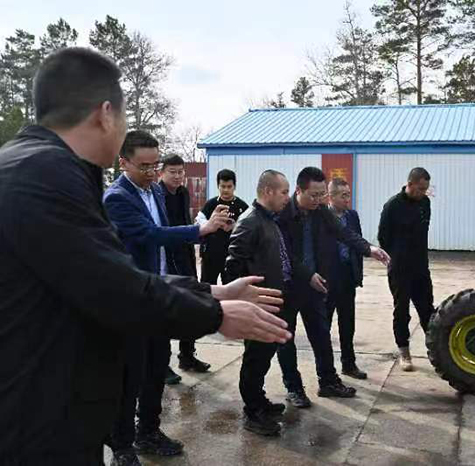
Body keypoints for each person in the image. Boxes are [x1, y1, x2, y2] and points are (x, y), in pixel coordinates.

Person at [0, 47, 291, 466]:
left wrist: (214, 291)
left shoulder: (32, 165)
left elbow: (111, 271)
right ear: (106, 114)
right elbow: (113, 287)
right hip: (34, 422)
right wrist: (215, 314)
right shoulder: (46, 174)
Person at [104, 131, 233, 464]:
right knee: (129, 377)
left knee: (156, 369)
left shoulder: (156, 193)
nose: (151, 172)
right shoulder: (116, 198)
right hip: (131, 299)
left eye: (154, 165)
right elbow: (150, 235)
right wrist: (200, 230)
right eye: (144, 166)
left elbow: (166, 234)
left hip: (158, 293)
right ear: (124, 162)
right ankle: (122, 446)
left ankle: (148, 431)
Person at [276, 167, 390, 408]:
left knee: (321, 336)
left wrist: (369, 249)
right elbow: (285, 254)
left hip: (315, 286)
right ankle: (294, 388)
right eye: (314, 195)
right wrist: (308, 275)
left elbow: (343, 232)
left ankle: (328, 381)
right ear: (299, 190)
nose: (319, 200)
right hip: (288, 287)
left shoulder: (321, 212)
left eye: (322, 195)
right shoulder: (283, 214)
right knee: (285, 338)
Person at [226, 170, 293, 436]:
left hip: (273, 300)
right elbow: (232, 265)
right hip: (258, 303)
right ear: (268, 191)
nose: (287, 197)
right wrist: (241, 301)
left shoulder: (268, 219)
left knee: (264, 355)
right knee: (255, 357)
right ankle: (252, 412)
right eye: (284, 192)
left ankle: (259, 399)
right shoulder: (251, 221)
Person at [378, 167, 436, 372]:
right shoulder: (392, 206)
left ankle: (436, 351)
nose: (423, 193)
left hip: (420, 266)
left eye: (426, 189)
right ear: (410, 184)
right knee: (401, 310)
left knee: (427, 310)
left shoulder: (425, 203)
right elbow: (383, 237)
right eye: (420, 189)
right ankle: (404, 351)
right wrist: (397, 255)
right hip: (400, 268)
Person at [159, 154, 211, 383]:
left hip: (185, 256)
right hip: (166, 258)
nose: (178, 176)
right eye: (172, 171)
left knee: (190, 307)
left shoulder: (183, 193)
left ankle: (187, 356)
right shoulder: (157, 194)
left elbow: (187, 223)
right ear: (161, 172)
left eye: (181, 171)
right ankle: (162, 365)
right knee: (165, 313)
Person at [325, 178, 367, 379]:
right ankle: (326, 369)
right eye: (343, 195)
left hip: (347, 276)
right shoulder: (321, 217)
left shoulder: (352, 216)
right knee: (323, 325)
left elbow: (357, 242)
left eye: (348, 195)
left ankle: (349, 364)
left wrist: (358, 274)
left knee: (347, 323)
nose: (347, 199)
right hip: (327, 279)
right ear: (331, 196)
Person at [196, 169, 249, 285]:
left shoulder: (242, 207)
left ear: (234, 186)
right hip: (211, 255)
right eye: (222, 186)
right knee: (207, 287)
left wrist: (234, 226)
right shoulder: (210, 205)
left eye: (229, 187)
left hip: (232, 256)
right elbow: (198, 222)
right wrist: (211, 224)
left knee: (232, 287)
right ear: (218, 186)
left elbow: (249, 229)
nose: (226, 190)